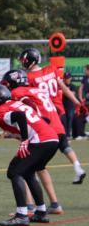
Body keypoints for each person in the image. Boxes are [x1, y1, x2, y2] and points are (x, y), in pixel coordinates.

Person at [0, 85, 58, 226]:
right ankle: (41, 212)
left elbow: (20, 116)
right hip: (52, 139)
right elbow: (44, 120)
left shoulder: (0, 111)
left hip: (40, 140)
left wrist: (25, 139)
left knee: (14, 171)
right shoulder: (18, 103)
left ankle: (21, 215)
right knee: (28, 172)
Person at [1, 69, 66, 215]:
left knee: (21, 168)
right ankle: (54, 204)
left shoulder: (17, 92)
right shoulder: (36, 90)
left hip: (42, 131)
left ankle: (29, 207)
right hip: (55, 129)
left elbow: (29, 105)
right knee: (39, 167)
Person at [19, 48, 85, 184]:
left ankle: (33, 174)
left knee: (35, 145)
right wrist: (77, 102)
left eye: (24, 60)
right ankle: (78, 168)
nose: (22, 63)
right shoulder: (51, 70)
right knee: (63, 144)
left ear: (31, 61)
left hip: (44, 115)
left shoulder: (29, 78)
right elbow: (64, 88)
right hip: (58, 112)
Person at [62, 72, 75, 138]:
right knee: (63, 120)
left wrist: (65, 92)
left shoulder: (72, 86)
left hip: (70, 106)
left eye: (68, 78)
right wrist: (67, 92)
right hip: (62, 106)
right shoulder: (62, 85)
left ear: (70, 78)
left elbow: (72, 94)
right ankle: (64, 134)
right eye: (66, 78)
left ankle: (68, 134)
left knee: (69, 120)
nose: (67, 79)